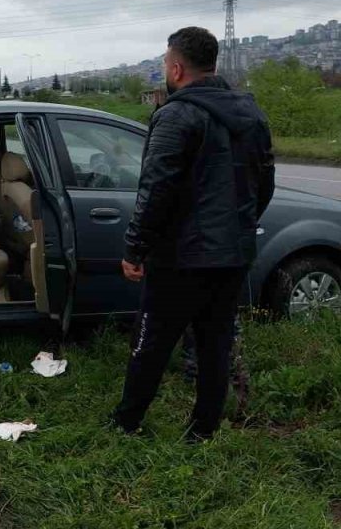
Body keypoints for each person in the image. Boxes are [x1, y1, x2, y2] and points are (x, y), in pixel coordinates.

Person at [110, 27, 275, 441]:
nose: (166, 70)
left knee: (150, 341)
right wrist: (238, 226)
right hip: (232, 255)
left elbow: (155, 190)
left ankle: (126, 423)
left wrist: (135, 248)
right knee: (214, 344)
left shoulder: (176, 115)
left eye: (166, 64)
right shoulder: (251, 114)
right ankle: (202, 433)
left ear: (177, 68)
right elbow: (264, 182)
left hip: (180, 258)